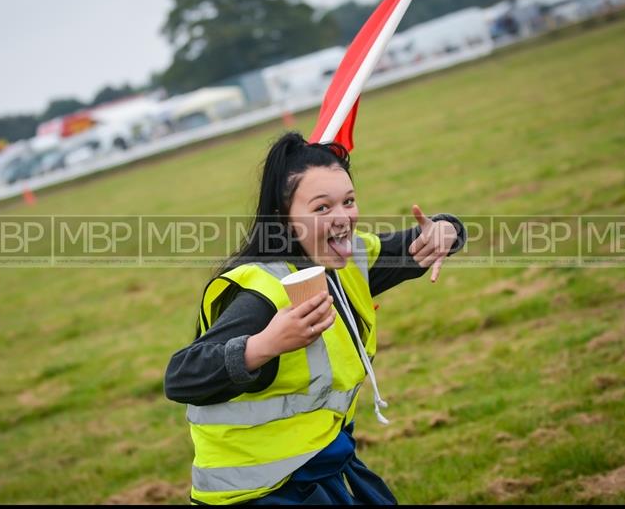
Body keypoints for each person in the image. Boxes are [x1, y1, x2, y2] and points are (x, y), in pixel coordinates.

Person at [165, 132, 467, 505]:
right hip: (261, 493)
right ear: (284, 217)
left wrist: (447, 231)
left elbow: (418, 241)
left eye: (349, 201)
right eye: (322, 208)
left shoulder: (346, 258)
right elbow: (180, 376)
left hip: (320, 465)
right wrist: (266, 345)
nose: (343, 218)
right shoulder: (261, 293)